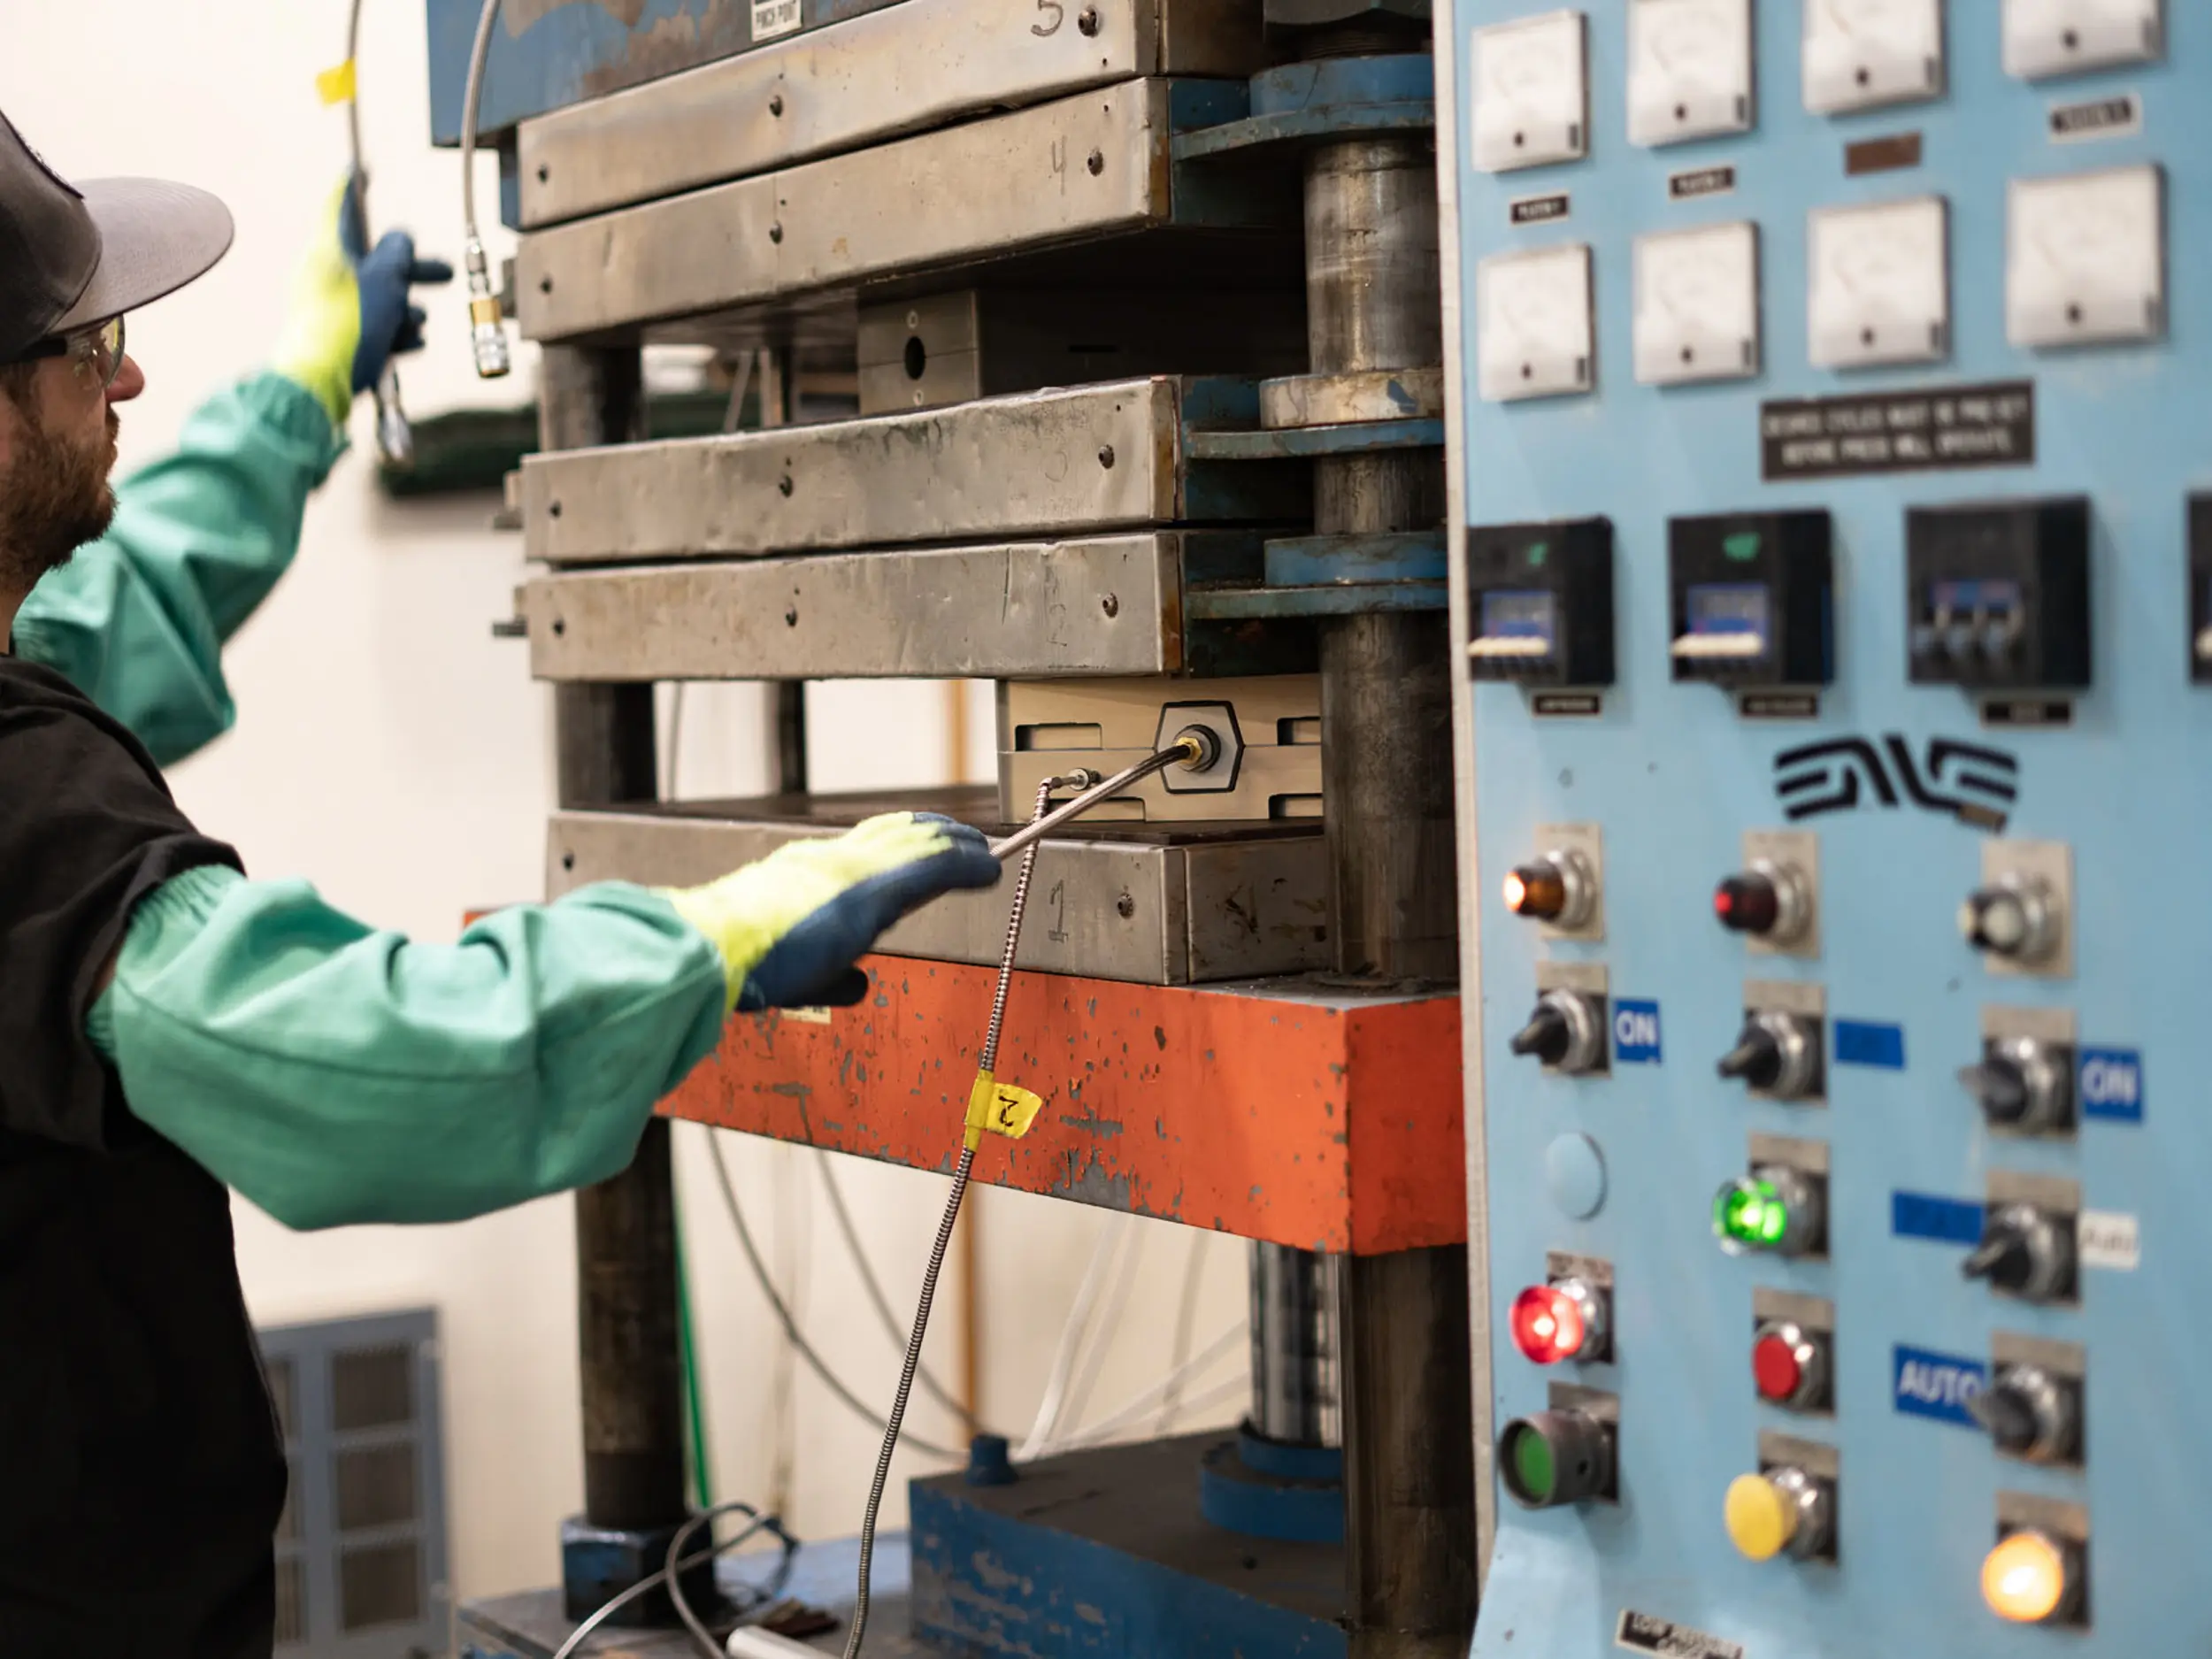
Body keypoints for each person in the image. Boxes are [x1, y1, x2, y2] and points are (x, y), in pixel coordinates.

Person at [0, 110, 1001, 1656]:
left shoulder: (25, 676)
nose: (128, 377)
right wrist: (704, 944)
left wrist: (304, 384)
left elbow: (133, 603)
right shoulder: (23, 815)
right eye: (90, 346)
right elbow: (342, 1055)